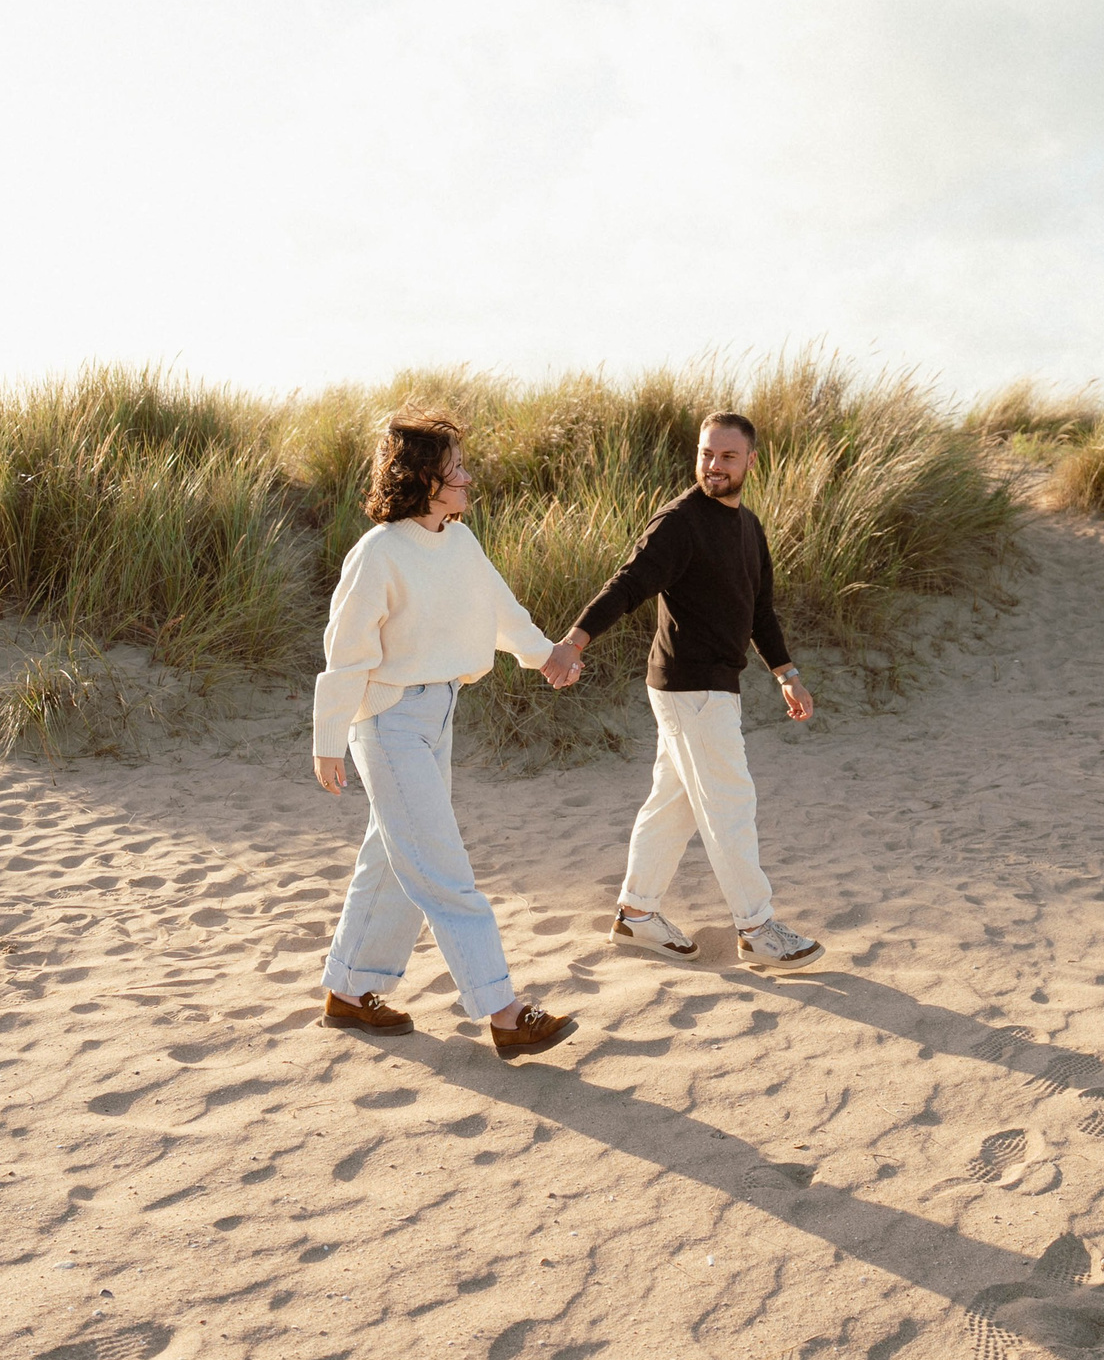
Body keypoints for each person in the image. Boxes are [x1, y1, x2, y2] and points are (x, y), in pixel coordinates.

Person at [312, 410, 578, 1060]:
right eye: (454, 466)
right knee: (440, 866)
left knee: (393, 856)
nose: (465, 475)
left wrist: (543, 653)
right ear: (422, 478)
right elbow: (346, 652)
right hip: (388, 720)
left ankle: (348, 990)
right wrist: (328, 737)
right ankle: (504, 1011)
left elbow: (498, 606)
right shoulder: (378, 552)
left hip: (440, 715)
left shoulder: (459, 541)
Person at [540, 411, 825, 973]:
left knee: (673, 805)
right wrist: (574, 641)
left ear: (750, 461)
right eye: (705, 454)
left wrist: (787, 675)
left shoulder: (749, 527)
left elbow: (758, 610)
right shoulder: (680, 522)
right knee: (730, 804)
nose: (713, 467)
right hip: (690, 685)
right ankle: (756, 927)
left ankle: (636, 913)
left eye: (726, 457)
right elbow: (628, 583)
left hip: (715, 685)